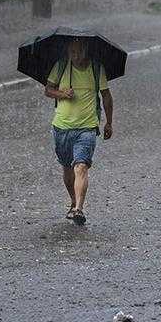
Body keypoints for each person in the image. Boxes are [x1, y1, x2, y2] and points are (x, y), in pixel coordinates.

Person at [44, 39, 113, 225]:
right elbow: (48, 90)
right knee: (67, 168)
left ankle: (79, 209)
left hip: (87, 127)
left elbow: (106, 96)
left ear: (85, 51)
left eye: (77, 52)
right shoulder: (61, 67)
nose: (74, 56)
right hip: (62, 127)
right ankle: (73, 201)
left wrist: (109, 123)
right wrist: (62, 94)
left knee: (81, 166)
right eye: (71, 52)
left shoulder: (97, 70)